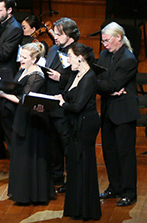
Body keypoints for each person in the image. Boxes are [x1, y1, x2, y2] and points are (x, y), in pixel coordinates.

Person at [0, 42, 53, 204]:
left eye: (24, 57)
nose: (20, 59)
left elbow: (24, 99)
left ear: (34, 59)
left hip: (33, 120)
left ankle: (32, 194)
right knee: (20, 154)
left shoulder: (36, 76)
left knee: (29, 154)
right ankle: (20, 192)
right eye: (20, 56)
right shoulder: (24, 70)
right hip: (22, 117)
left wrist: (3, 95)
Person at [56, 43, 101, 220]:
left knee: (83, 164)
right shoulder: (76, 74)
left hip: (85, 125)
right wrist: (61, 98)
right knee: (74, 165)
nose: (68, 60)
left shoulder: (89, 77)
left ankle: (86, 209)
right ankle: (75, 207)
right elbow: (68, 95)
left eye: (70, 56)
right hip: (74, 123)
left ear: (80, 57)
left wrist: (62, 104)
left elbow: (78, 106)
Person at [96, 22, 139, 207]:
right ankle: (115, 186)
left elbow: (111, 84)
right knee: (110, 152)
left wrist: (108, 87)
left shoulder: (128, 59)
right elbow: (100, 79)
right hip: (108, 110)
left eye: (106, 40)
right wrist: (108, 89)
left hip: (123, 113)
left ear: (118, 38)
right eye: (102, 41)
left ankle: (129, 192)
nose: (104, 44)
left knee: (125, 154)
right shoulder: (105, 55)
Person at [43, 17, 79, 190]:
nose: (54, 36)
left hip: (64, 105)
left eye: (59, 34)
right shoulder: (52, 49)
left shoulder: (79, 52)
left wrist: (61, 77)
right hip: (49, 102)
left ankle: (72, 180)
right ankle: (56, 177)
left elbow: (82, 78)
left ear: (70, 35)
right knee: (52, 145)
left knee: (67, 145)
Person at [0, 0, 23, 147]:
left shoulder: (15, 28)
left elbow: (3, 54)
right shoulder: (0, 25)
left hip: (6, 77)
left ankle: (17, 159)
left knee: (7, 120)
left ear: (9, 10)